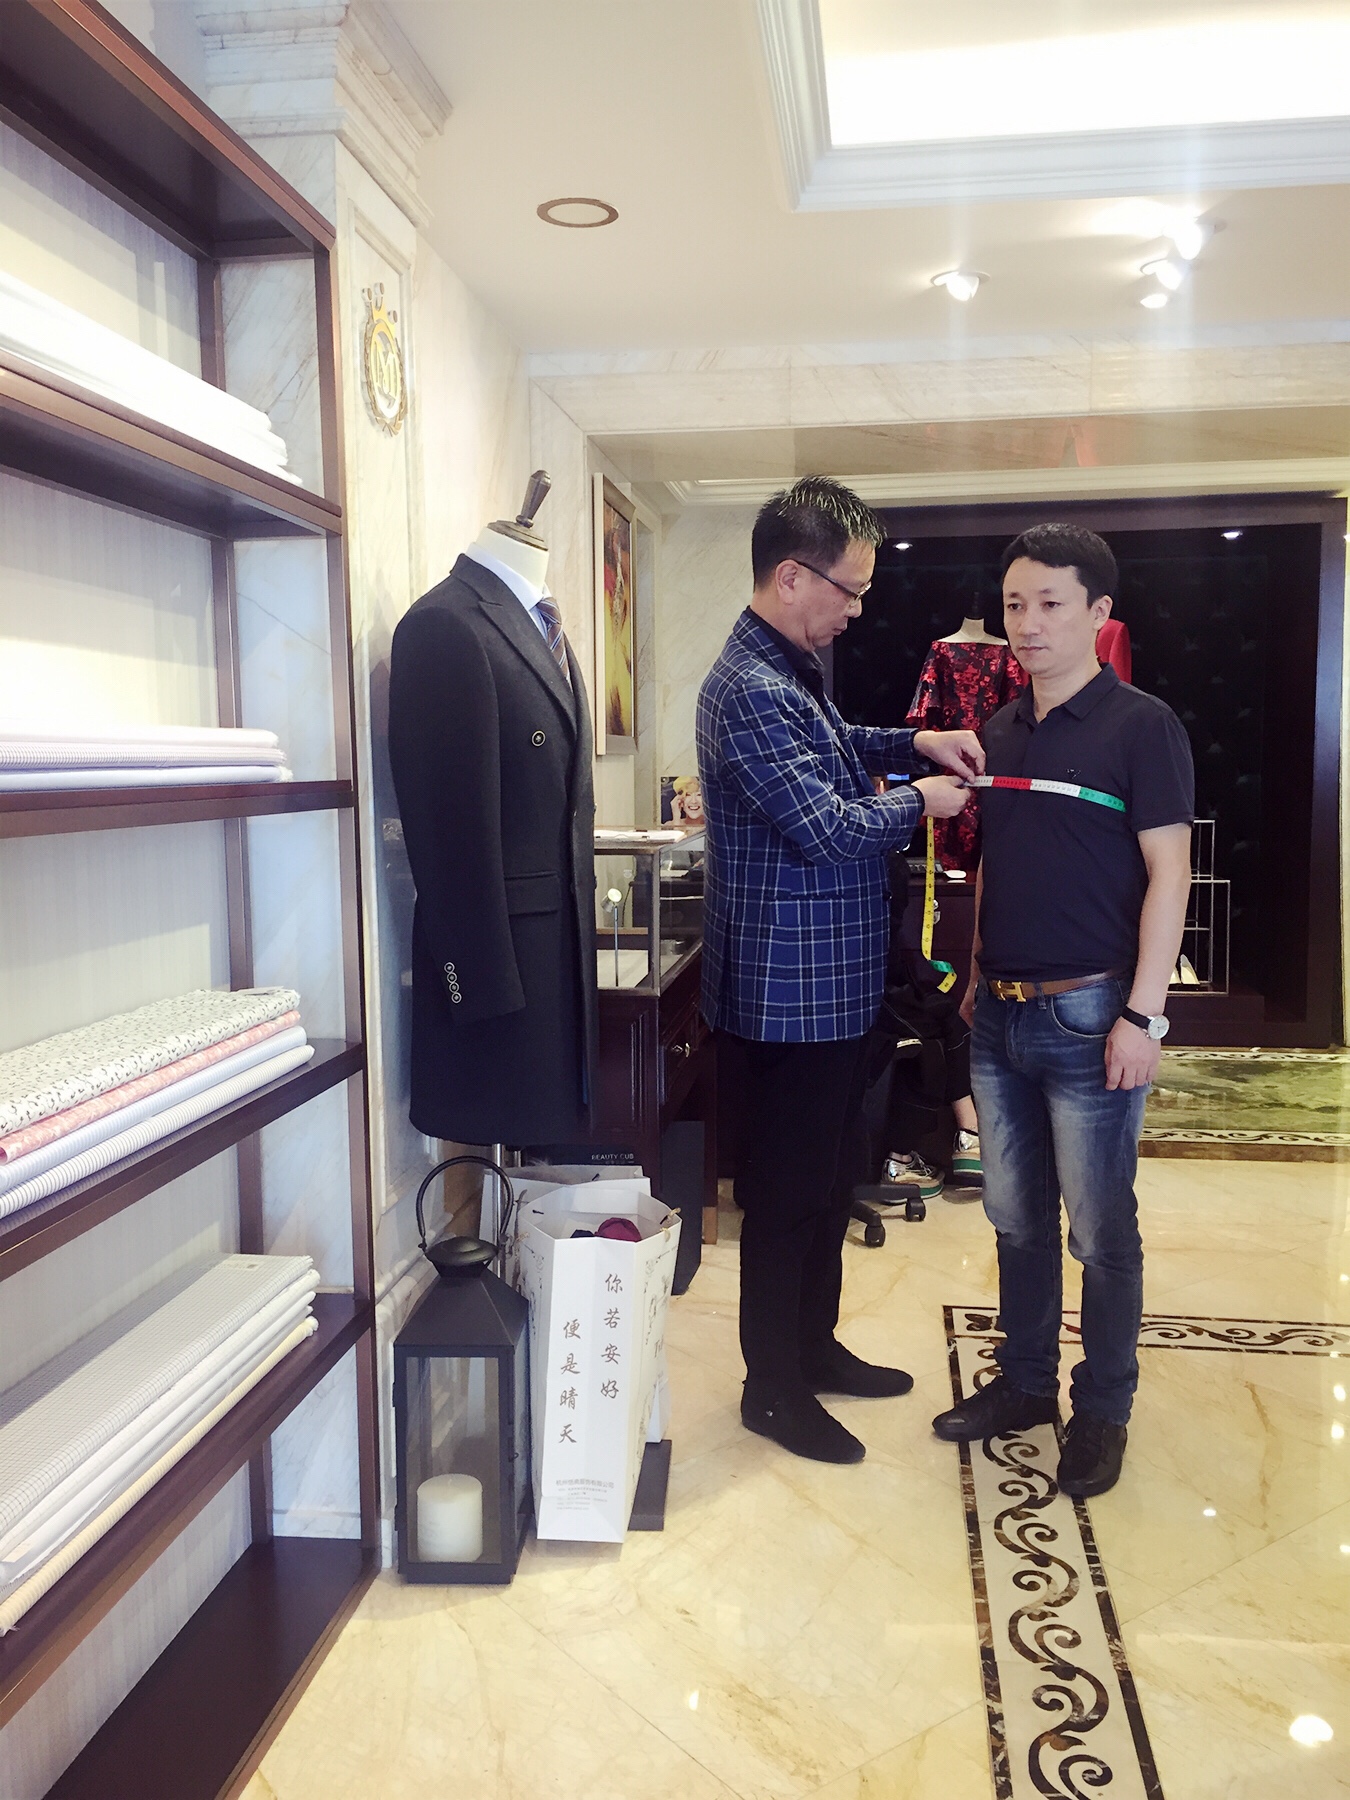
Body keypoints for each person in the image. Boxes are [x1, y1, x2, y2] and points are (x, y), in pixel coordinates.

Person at [697, 476, 984, 1465]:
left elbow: (836, 744)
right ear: (791, 577)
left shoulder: (791, 667)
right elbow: (824, 828)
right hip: (789, 994)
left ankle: (812, 1349)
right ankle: (771, 1391)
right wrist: (920, 802)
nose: (857, 610)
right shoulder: (750, 686)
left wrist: (912, 741)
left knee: (825, 1185)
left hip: (833, 984)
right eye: (849, 590)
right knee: (786, 1199)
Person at [931, 523, 1193, 1498]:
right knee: (1014, 1217)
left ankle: (1104, 1411)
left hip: (1091, 1014)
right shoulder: (1000, 730)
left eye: (1050, 604)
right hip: (999, 1016)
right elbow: (997, 863)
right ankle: (1027, 1385)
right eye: (1015, 605)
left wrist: (1145, 1015)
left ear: (1098, 612)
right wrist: (973, 970)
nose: (1028, 624)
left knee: (1100, 1231)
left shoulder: (1141, 726)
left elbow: (1171, 872)